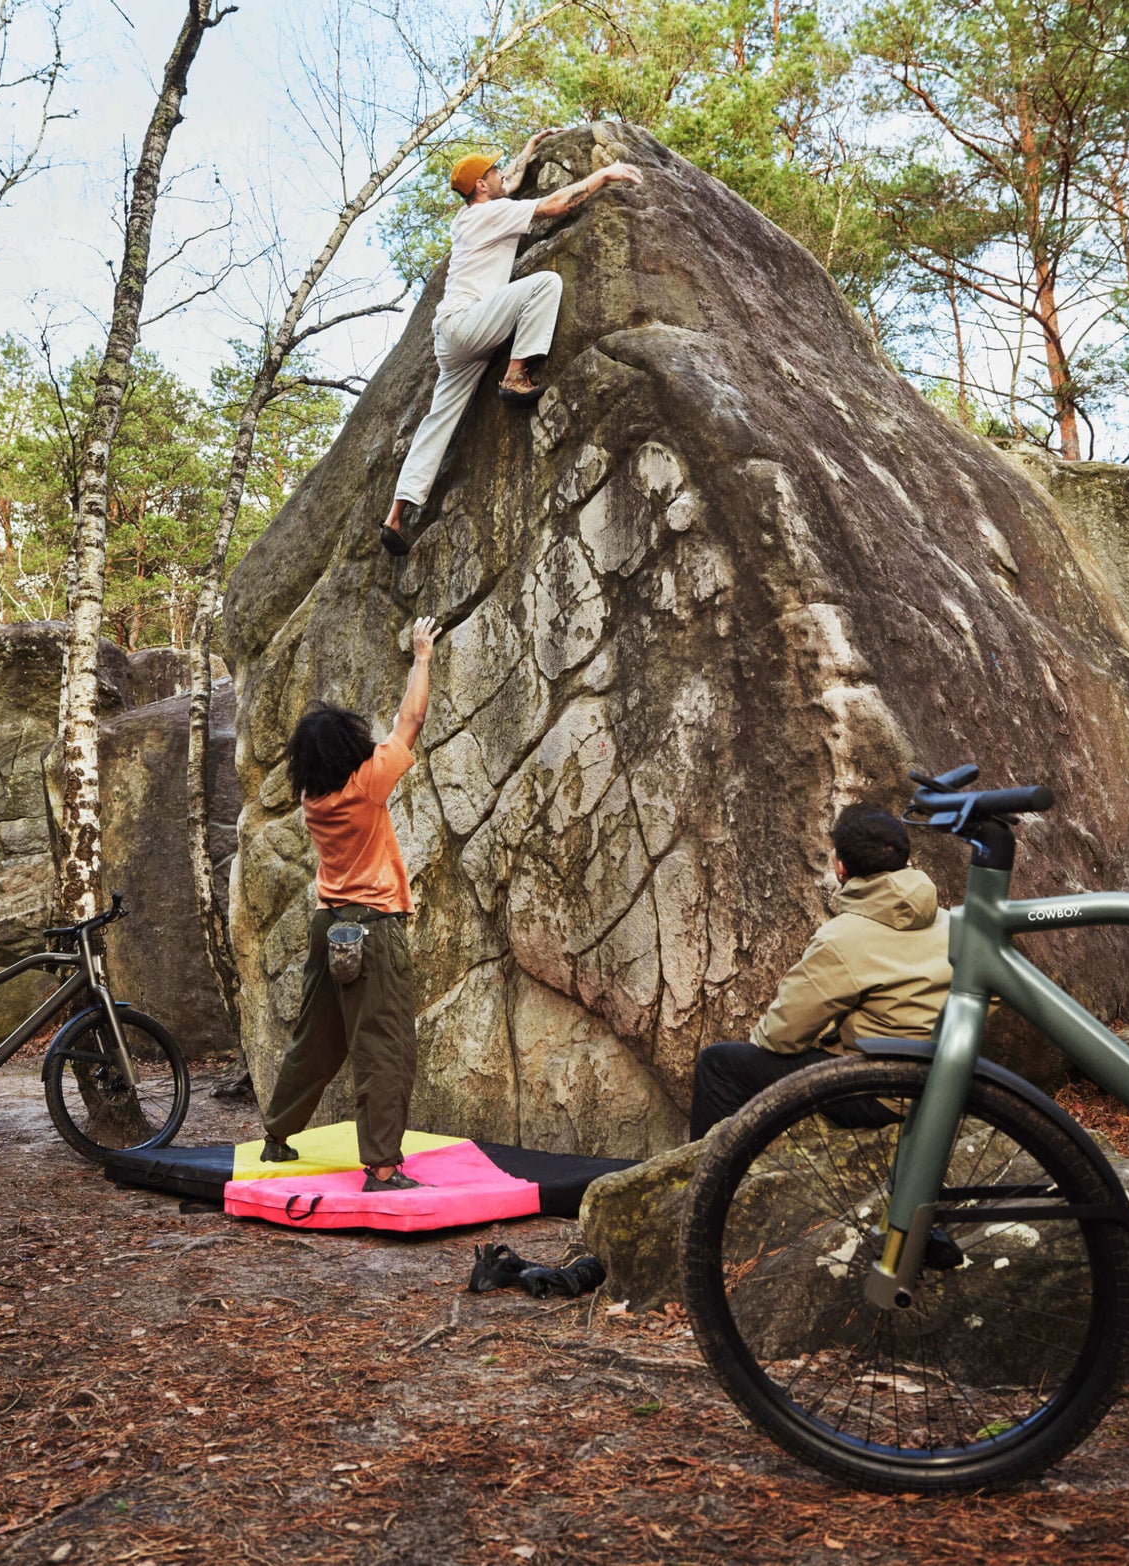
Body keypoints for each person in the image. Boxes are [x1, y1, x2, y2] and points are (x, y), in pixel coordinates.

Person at [379, 135, 644, 556]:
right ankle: (516, 374)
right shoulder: (492, 213)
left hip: (453, 338)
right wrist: (603, 175)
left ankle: (395, 516)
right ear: (482, 186)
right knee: (544, 284)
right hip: (470, 323)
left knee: (438, 421)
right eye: (493, 172)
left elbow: (511, 184)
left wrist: (530, 148)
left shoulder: (470, 217)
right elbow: (554, 205)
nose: (502, 175)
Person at [259, 616, 439, 1191]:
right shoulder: (367, 784)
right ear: (350, 750)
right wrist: (422, 657)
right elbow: (410, 719)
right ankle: (383, 1168)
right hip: (372, 929)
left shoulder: (313, 796)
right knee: (384, 1044)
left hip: (327, 924)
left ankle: (277, 1135)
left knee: (317, 1035)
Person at [688, 804, 953, 1141]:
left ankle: (705, 1183)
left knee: (720, 1065)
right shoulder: (953, 922)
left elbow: (780, 1037)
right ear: (902, 858)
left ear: (841, 868)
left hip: (882, 1094)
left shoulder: (843, 938)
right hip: (945, 1082)